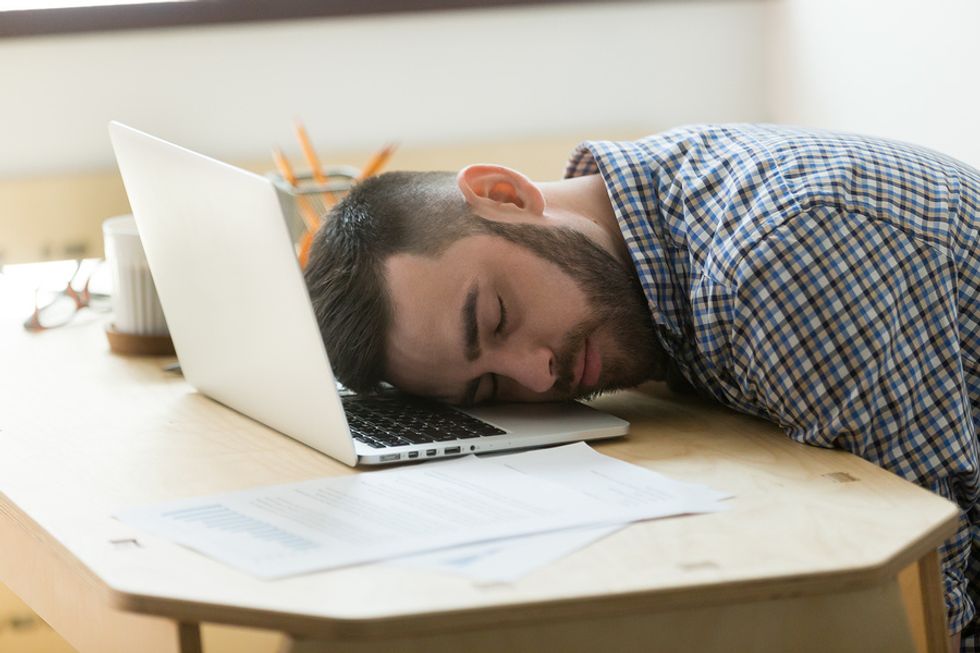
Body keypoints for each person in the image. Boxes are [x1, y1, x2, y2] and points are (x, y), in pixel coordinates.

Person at [304, 124, 980, 650]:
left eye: (497, 316)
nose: (538, 374)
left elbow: (922, 606)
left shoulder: (767, 261)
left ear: (504, 194)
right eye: (487, 388)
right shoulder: (650, 205)